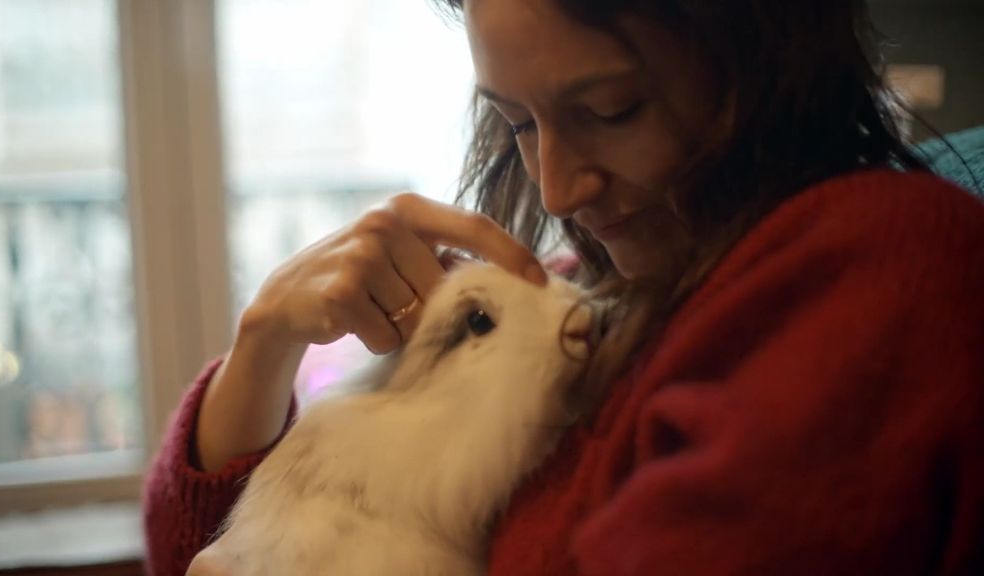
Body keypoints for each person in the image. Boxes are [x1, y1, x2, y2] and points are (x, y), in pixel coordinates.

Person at [143, 0, 984, 574]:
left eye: (612, 110)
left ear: (763, 56)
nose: (553, 190)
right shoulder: (582, 287)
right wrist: (265, 344)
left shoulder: (870, 265)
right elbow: (200, 554)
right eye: (516, 122)